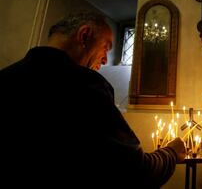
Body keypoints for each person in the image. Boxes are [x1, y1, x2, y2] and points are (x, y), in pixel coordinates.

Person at [1, 11, 186, 187]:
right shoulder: (85, 86)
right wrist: (170, 153)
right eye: (106, 47)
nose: (105, 60)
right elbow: (134, 173)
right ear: (84, 35)